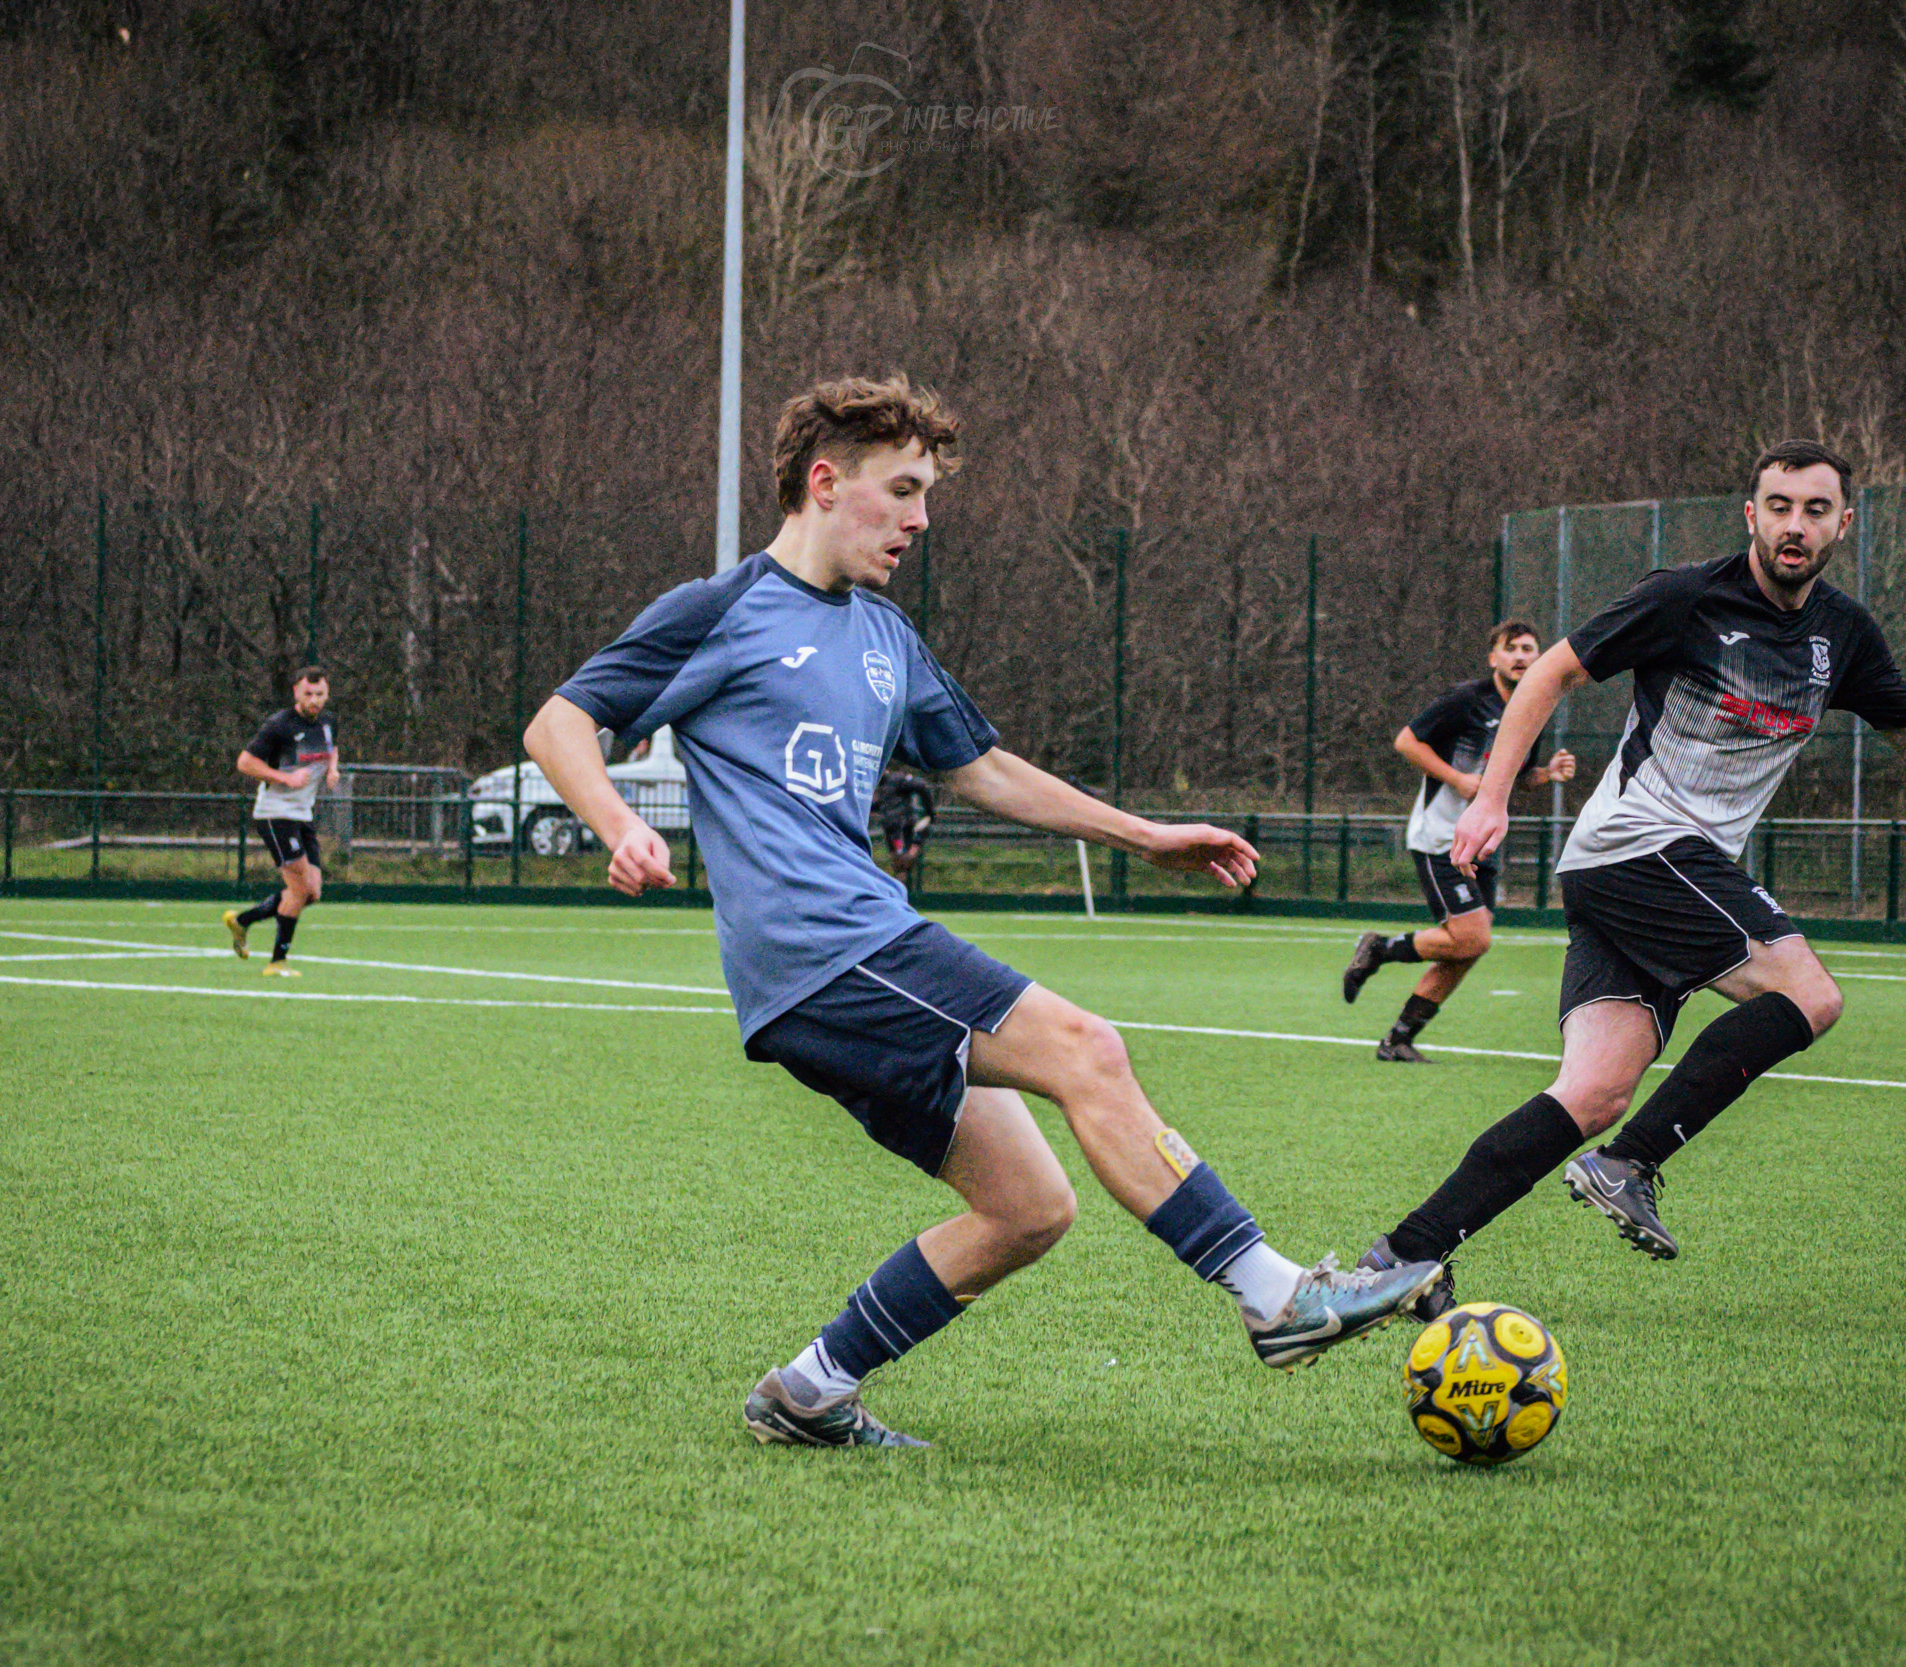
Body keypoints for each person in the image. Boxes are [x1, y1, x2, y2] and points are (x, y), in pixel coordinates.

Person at [524, 374, 1442, 1449]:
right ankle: (1275, 1295)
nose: (920, 519)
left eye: (927, 494)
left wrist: (1144, 836)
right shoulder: (720, 611)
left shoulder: (884, 636)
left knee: (1026, 1206)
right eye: (901, 490)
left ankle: (810, 1388)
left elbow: (986, 767)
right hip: (828, 946)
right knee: (1087, 1049)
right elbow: (559, 724)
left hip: (838, 965)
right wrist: (618, 826)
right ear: (825, 482)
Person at [1355, 440, 1906, 1309]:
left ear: (1843, 524)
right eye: (1780, 506)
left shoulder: (1843, 635)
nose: (1796, 525)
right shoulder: (1686, 597)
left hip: (1649, 871)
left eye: (1816, 510)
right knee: (1811, 993)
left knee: (1594, 1090)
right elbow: (1554, 673)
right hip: (1639, 846)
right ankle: (1628, 1164)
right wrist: (1491, 797)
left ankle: (1401, 1256)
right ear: (1751, 514)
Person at [1343, 621, 1576, 1060]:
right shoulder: (1466, 700)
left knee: (1466, 949)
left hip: (1483, 842)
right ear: (1494, 658)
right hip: (1441, 837)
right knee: (1474, 938)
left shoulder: (1533, 705)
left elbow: (1513, 774)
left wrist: (1545, 775)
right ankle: (1378, 949)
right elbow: (1406, 741)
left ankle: (1398, 1040)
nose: (1521, 656)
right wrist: (1456, 778)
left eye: (1529, 649)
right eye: (1512, 649)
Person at [223, 668, 340, 976]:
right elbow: (245, 762)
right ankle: (277, 962)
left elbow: (332, 747)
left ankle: (243, 921)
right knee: (300, 888)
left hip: (302, 815)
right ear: (295, 693)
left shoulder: (328, 723)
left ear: (327, 694)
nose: (314, 700)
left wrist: (332, 770)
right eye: (308, 694)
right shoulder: (279, 725)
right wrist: (284, 778)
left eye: (320, 694)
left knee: (312, 893)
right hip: (275, 814)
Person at [871, 763, 936, 878]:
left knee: (903, 858)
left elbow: (921, 786)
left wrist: (930, 812)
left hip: (902, 825)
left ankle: (904, 865)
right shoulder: (882, 785)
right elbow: (881, 803)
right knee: (899, 860)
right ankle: (901, 874)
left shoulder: (896, 780)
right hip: (892, 828)